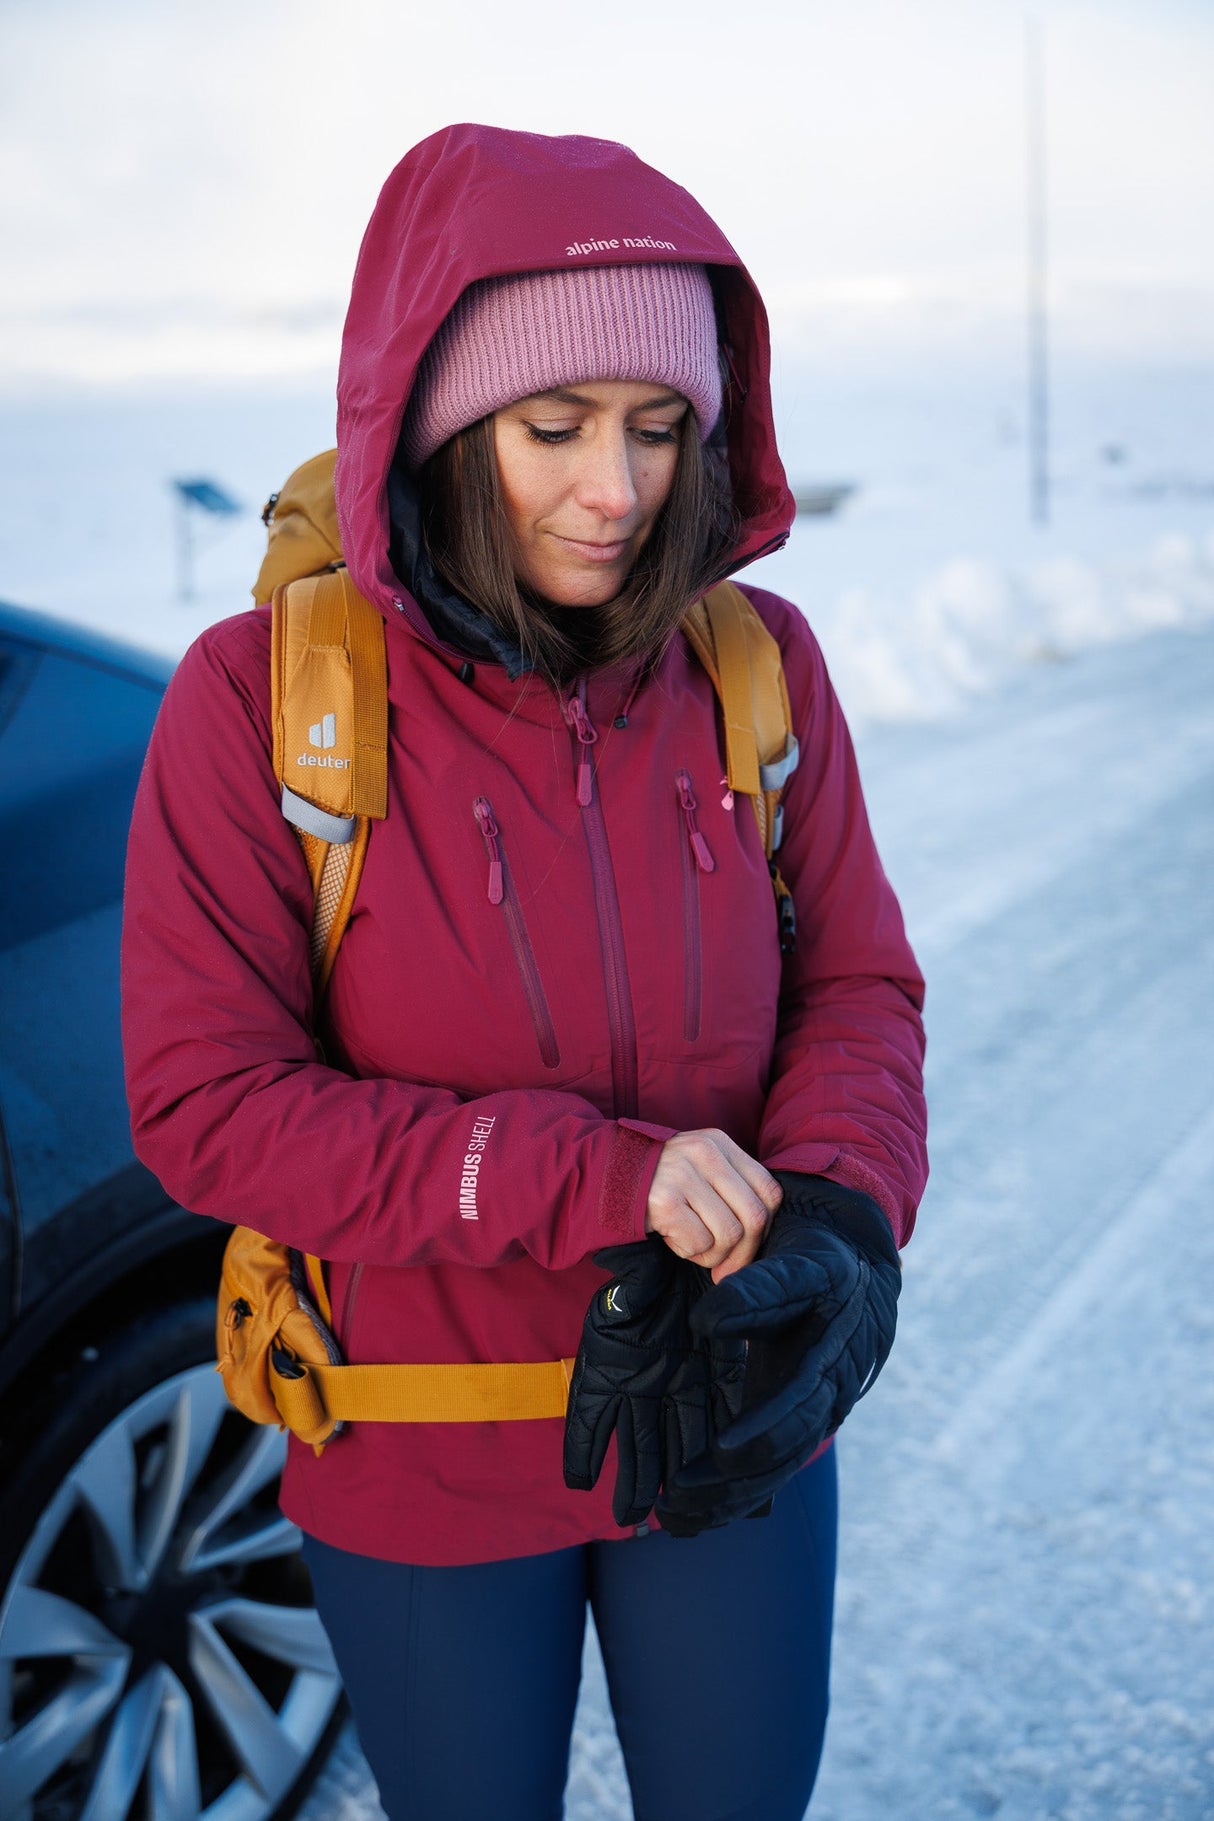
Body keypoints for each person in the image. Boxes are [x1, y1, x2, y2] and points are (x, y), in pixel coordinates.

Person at [122, 124, 927, 1821]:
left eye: (658, 426)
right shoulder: (261, 699)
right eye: (552, 427)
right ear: (434, 422)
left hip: (728, 1412)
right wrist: (599, 1175)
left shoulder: (755, 667)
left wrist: (842, 1203)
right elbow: (208, 1108)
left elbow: (858, 987)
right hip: (419, 1443)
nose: (615, 489)